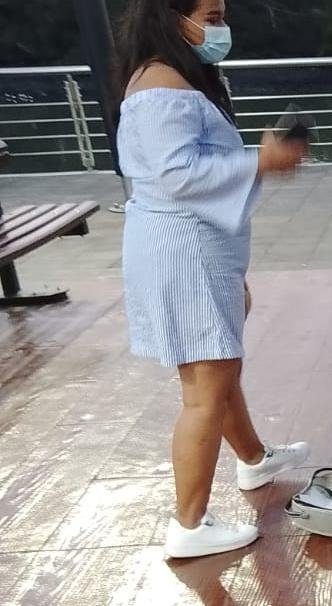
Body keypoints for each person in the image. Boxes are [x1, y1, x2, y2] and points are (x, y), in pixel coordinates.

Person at [113, 0, 310, 559]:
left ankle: (254, 460)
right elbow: (177, 174)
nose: (220, 28)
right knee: (204, 389)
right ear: (174, 16)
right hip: (186, 252)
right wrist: (261, 161)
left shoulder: (163, 76)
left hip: (191, 248)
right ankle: (189, 525)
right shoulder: (162, 84)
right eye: (213, 15)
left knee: (219, 369)